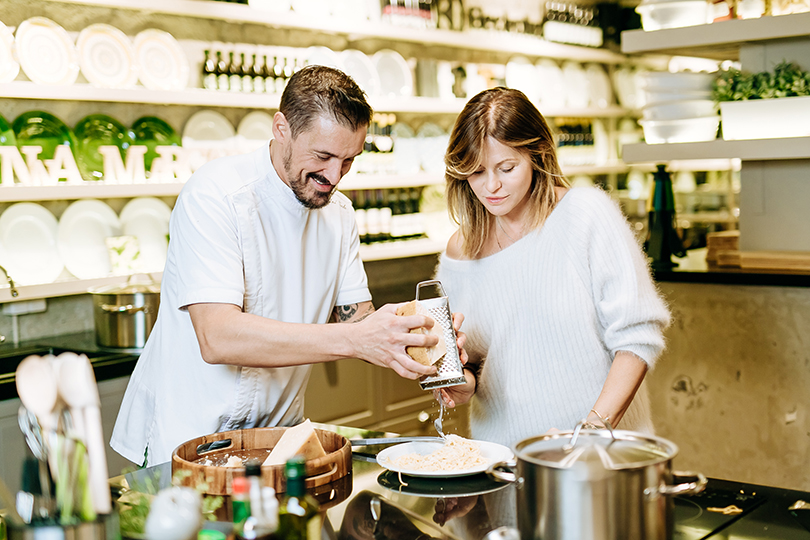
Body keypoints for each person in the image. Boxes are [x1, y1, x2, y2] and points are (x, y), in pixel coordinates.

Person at [111, 65, 455, 466]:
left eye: (348, 160)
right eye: (323, 156)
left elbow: (355, 322)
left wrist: (409, 337)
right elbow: (218, 337)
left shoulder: (339, 214)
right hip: (188, 440)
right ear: (281, 128)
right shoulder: (215, 194)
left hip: (280, 440)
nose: (334, 175)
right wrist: (358, 340)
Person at [434, 87, 671, 447]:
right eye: (476, 171)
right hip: (504, 462)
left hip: (600, 459)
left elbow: (637, 338)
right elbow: (471, 376)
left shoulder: (586, 215)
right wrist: (451, 379)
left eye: (507, 167)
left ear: (537, 154)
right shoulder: (460, 250)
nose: (491, 185)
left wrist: (590, 433)